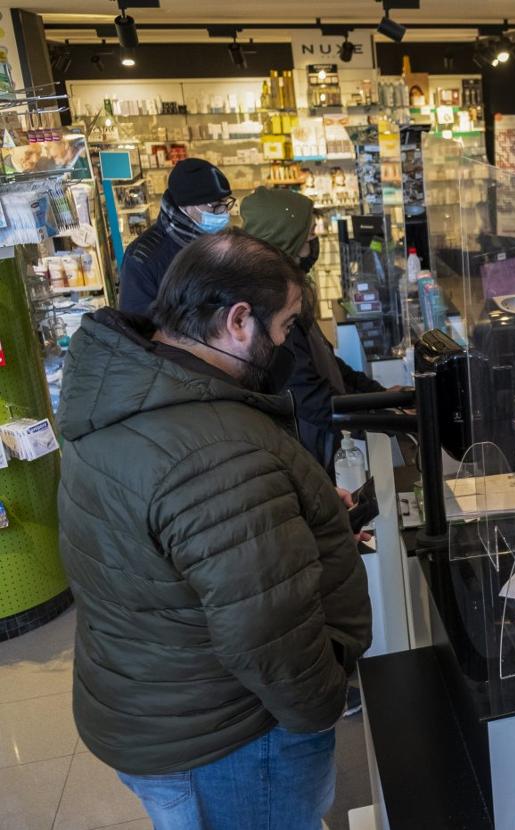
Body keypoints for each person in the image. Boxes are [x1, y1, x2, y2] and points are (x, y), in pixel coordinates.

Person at [57, 230, 372, 829]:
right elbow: (268, 628)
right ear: (237, 320)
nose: (285, 342)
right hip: (230, 737)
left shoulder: (125, 390)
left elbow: (174, 548)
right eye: (284, 327)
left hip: (150, 702)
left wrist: (285, 513)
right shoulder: (217, 450)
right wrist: (325, 703)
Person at [241, 187, 386, 470]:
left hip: (326, 440)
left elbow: (326, 360)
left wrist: (376, 395)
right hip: (315, 451)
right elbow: (307, 394)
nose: (313, 240)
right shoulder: (271, 305)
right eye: (307, 233)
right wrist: (377, 411)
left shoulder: (291, 291)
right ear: (286, 237)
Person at [118, 158, 233, 313]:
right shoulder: (143, 258)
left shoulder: (220, 242)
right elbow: (137, 325)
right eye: (215, 206)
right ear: (186, 206)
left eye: (226, 203)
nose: (223, 212)